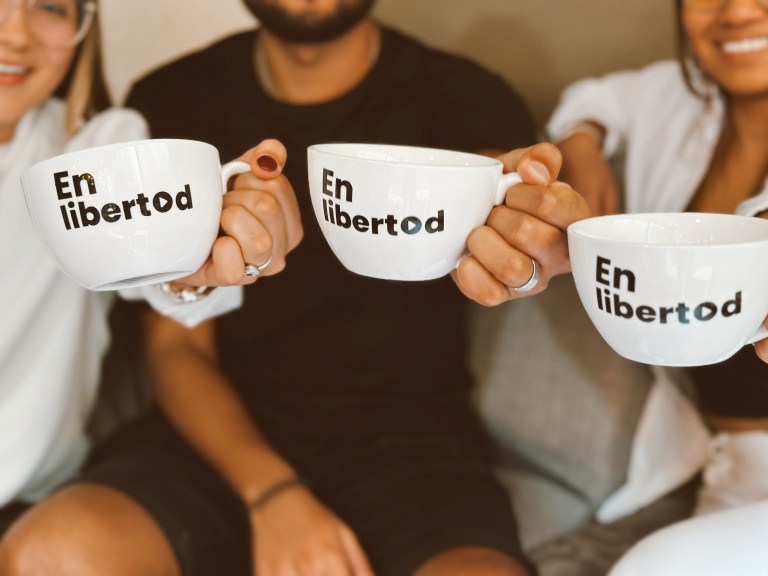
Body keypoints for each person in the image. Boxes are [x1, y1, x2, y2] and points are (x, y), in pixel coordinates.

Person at [0, 1, 591, 575]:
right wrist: (271, 492)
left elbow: (499, 177)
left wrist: (528, 230)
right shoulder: (173, 98)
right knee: (53, 555)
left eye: (46, 8)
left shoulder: (461, 94)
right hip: (206, 445)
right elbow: (175, 344)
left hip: (416, 452)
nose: (16, 31)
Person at [0, 0, 301, 555]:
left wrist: (194, 269)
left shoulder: (92, 152)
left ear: (84, 29)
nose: (15, 34)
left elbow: (156, 273)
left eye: (50, 7)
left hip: (23, 507)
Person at [546, 0, 768, 572]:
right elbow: (593, 96)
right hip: (731, 478)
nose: (738, 12)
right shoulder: (677, 99)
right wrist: (582, 142)